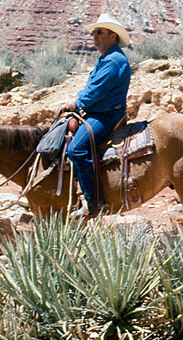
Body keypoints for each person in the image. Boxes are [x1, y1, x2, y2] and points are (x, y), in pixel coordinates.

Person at [63, 14, 131, 218]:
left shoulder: (113, 61)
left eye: (99, 32)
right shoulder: (107, 59)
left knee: (77, 149)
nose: (94, 36)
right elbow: (90, 88)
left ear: (113, 36)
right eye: (94, 32)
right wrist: (78, 97)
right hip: (99, 111)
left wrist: (77, 103)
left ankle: (94, 203)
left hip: (107, 115)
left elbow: (96, 92)